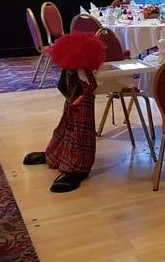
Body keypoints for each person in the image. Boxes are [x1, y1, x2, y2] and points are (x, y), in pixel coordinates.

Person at [23, 32, 105, 192]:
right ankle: (56, 153)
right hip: (83, 65)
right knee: (69, 111)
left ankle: (76, 167)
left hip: (102, 69)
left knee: (81, 122)